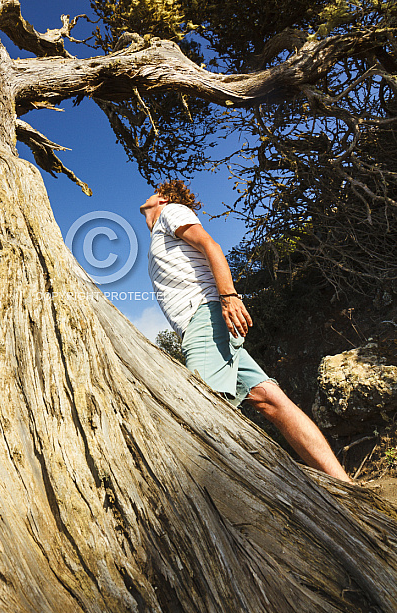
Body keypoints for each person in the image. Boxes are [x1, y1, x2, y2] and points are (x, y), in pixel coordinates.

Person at [140, 180, 351, 482]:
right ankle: (345, 484)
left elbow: (209, 244)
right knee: (272, 401)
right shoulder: (162, 230)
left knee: (200, 409)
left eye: (153, 192)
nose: (147, 195)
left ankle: (232, 496)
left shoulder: (172, 212)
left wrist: (229, 297)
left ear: (162, 198)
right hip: (208, 321)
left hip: (204, 319)